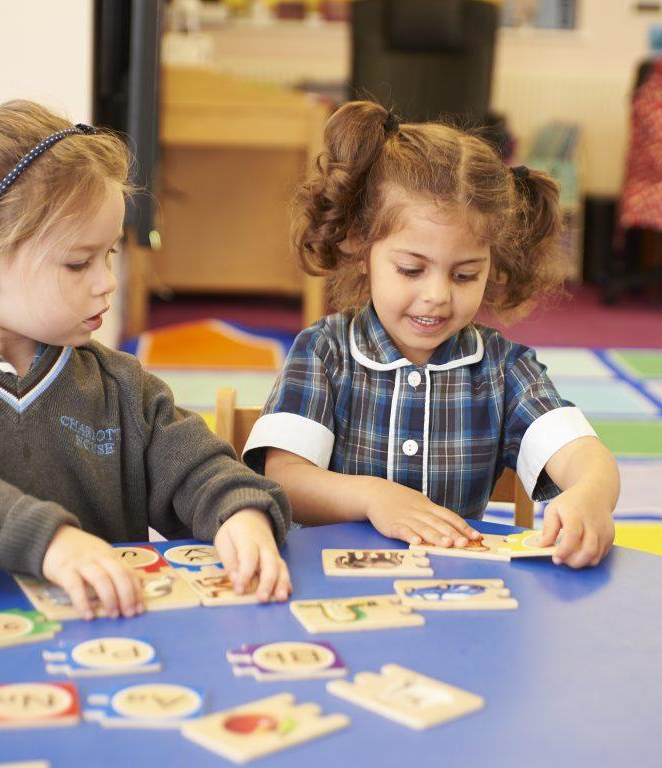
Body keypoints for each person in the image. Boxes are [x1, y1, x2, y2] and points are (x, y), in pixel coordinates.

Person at [0, 101, 292, 618]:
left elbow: (200, 469)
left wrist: (239, 513)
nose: (106, 281)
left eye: (108, 253)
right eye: (78, 262)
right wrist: (45, 540)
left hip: (101, 648)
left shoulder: (120, 384)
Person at [244, 101, 619, 569]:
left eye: (464, 276)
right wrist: (373, 498)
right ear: (362, 246)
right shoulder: (324, 352)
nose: (437, 296)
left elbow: (585, 456)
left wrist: (590, 497)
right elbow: (286, 481)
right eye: (410, 269)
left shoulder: (504, 368)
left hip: (455, 591)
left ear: (492, 265)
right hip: (333, 579)